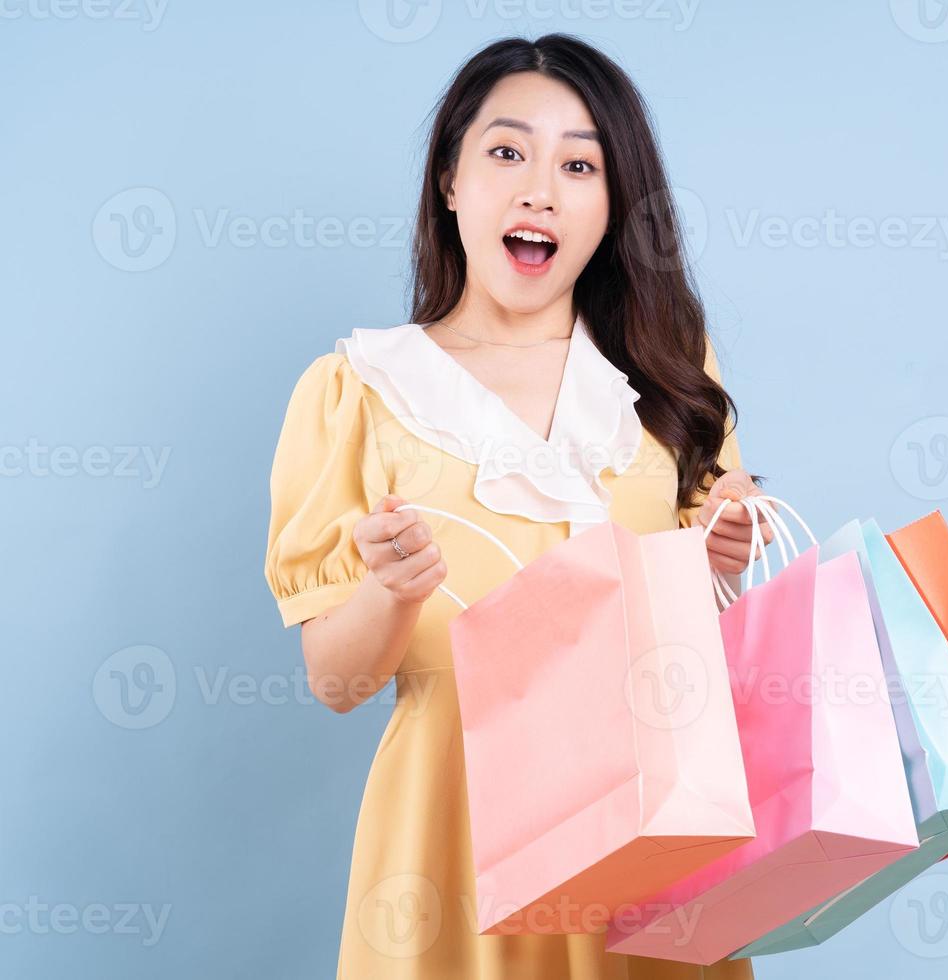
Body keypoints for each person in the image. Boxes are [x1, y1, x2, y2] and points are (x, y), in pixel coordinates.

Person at [263, 34, 771, 979]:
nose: (540, 189)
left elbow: (704, 595)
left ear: (611, 208)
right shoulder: (355, 393)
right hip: (450, 837)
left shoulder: (665, 372)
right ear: (450, 179)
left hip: (648, 834)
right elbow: (335, 684)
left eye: (580, 165)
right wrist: (390, 590)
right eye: (507, 152)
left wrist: (722, 553)